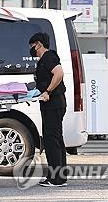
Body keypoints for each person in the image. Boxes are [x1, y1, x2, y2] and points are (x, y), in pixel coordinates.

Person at [29, 32, 67, 187]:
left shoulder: (49, 57)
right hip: (53, 105)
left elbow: (59, 73)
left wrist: (48, 91)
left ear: (39, 43)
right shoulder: (44, 60)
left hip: (54, 104)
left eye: (32, 46)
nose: (32, 49)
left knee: (52, 140)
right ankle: (60, 177)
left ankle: (55, 179)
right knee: (56, 139)